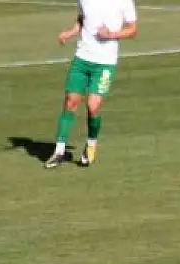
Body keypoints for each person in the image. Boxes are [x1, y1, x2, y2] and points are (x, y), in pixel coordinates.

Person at [45, 0, 138, 168]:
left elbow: (133, 30)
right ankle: (59, 151)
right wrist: (69, 33)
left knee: (93, 106)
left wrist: (110, 35)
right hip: (82, 59)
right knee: (70, 102)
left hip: (105, 63)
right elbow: (83, 19)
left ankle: (91, 145)